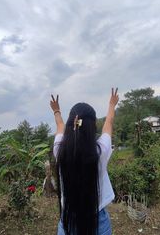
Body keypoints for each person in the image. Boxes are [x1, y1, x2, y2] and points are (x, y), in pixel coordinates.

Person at [50, 88, 119, 235]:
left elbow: (60, 126)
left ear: (71, 123)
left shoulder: (59, 150)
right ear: (93, 126)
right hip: (97, 222)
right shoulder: (100, 151)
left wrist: (56, 110)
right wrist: (112, 104)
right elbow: (109, 123)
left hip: (68, 220)